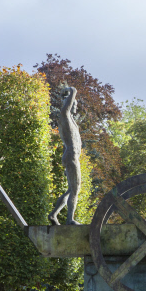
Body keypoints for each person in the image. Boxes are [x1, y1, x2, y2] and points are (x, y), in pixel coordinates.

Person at [48, 86, 82, 225]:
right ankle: (69, 219)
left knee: (71, 189)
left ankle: (54, 214)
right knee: (75, 189)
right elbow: (68, 103)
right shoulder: (65, 116)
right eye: (74, 104)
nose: (76, 107)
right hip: (71, 155)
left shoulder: (72, 122)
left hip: (72, 156)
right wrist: (72, 90)